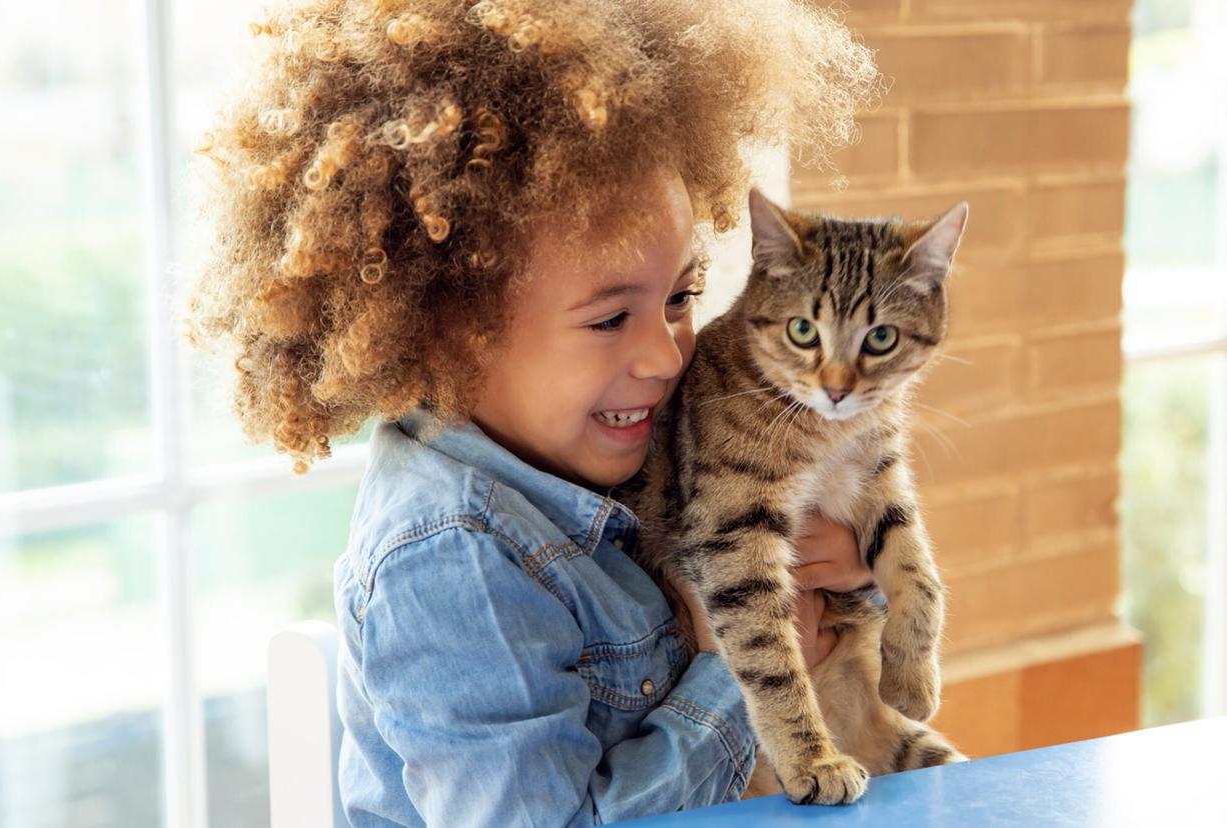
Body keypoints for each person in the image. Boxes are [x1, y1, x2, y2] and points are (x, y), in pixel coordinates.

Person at [181, 1, 883, 824]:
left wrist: (846, 577)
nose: (665, 355)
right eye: (608, 319)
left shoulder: (621, 445)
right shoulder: (452, 562)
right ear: (450, 328)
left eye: (682, 297)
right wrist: (756, 671)